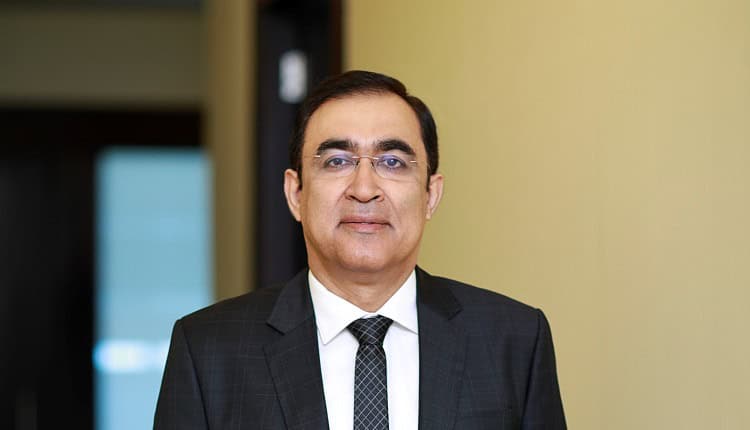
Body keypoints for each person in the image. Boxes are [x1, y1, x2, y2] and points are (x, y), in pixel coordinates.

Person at [154, 70, 566, 429]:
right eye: (337, 161)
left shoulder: (514, 340)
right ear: (296, 193)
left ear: (431, 195)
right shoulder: (208, 350)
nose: (364, 189)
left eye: (392, 162)